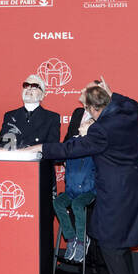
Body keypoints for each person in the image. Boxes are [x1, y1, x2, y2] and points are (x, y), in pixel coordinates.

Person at [22, 78, 138, 274]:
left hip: (116, 193)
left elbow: (69, 150)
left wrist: (39, 148)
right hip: (132, 188)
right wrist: (113, 93)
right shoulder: (127, 114)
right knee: (120, 243)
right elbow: (136, 106)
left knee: (110, 244)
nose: (84, 111)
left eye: (85, 106)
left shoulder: (101, 129)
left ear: (94, 110)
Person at [54, 92, 98, 264]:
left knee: (77, 205)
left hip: (88, 191)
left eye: (86, 123)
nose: (81, 124)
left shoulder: (95, 146)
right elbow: (61, 151)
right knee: (57, 203)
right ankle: (71, 239)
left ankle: (82, 240)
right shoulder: (72, 142)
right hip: (72, 189)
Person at [0, 74, 62, 149]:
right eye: (26, 85)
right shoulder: (9, 116)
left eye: (34, 86)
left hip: (38, 159)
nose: (29, 88)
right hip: (11, 159)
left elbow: (52, 149)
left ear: (42, 95)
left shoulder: (52, 118)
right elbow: (3, 143)